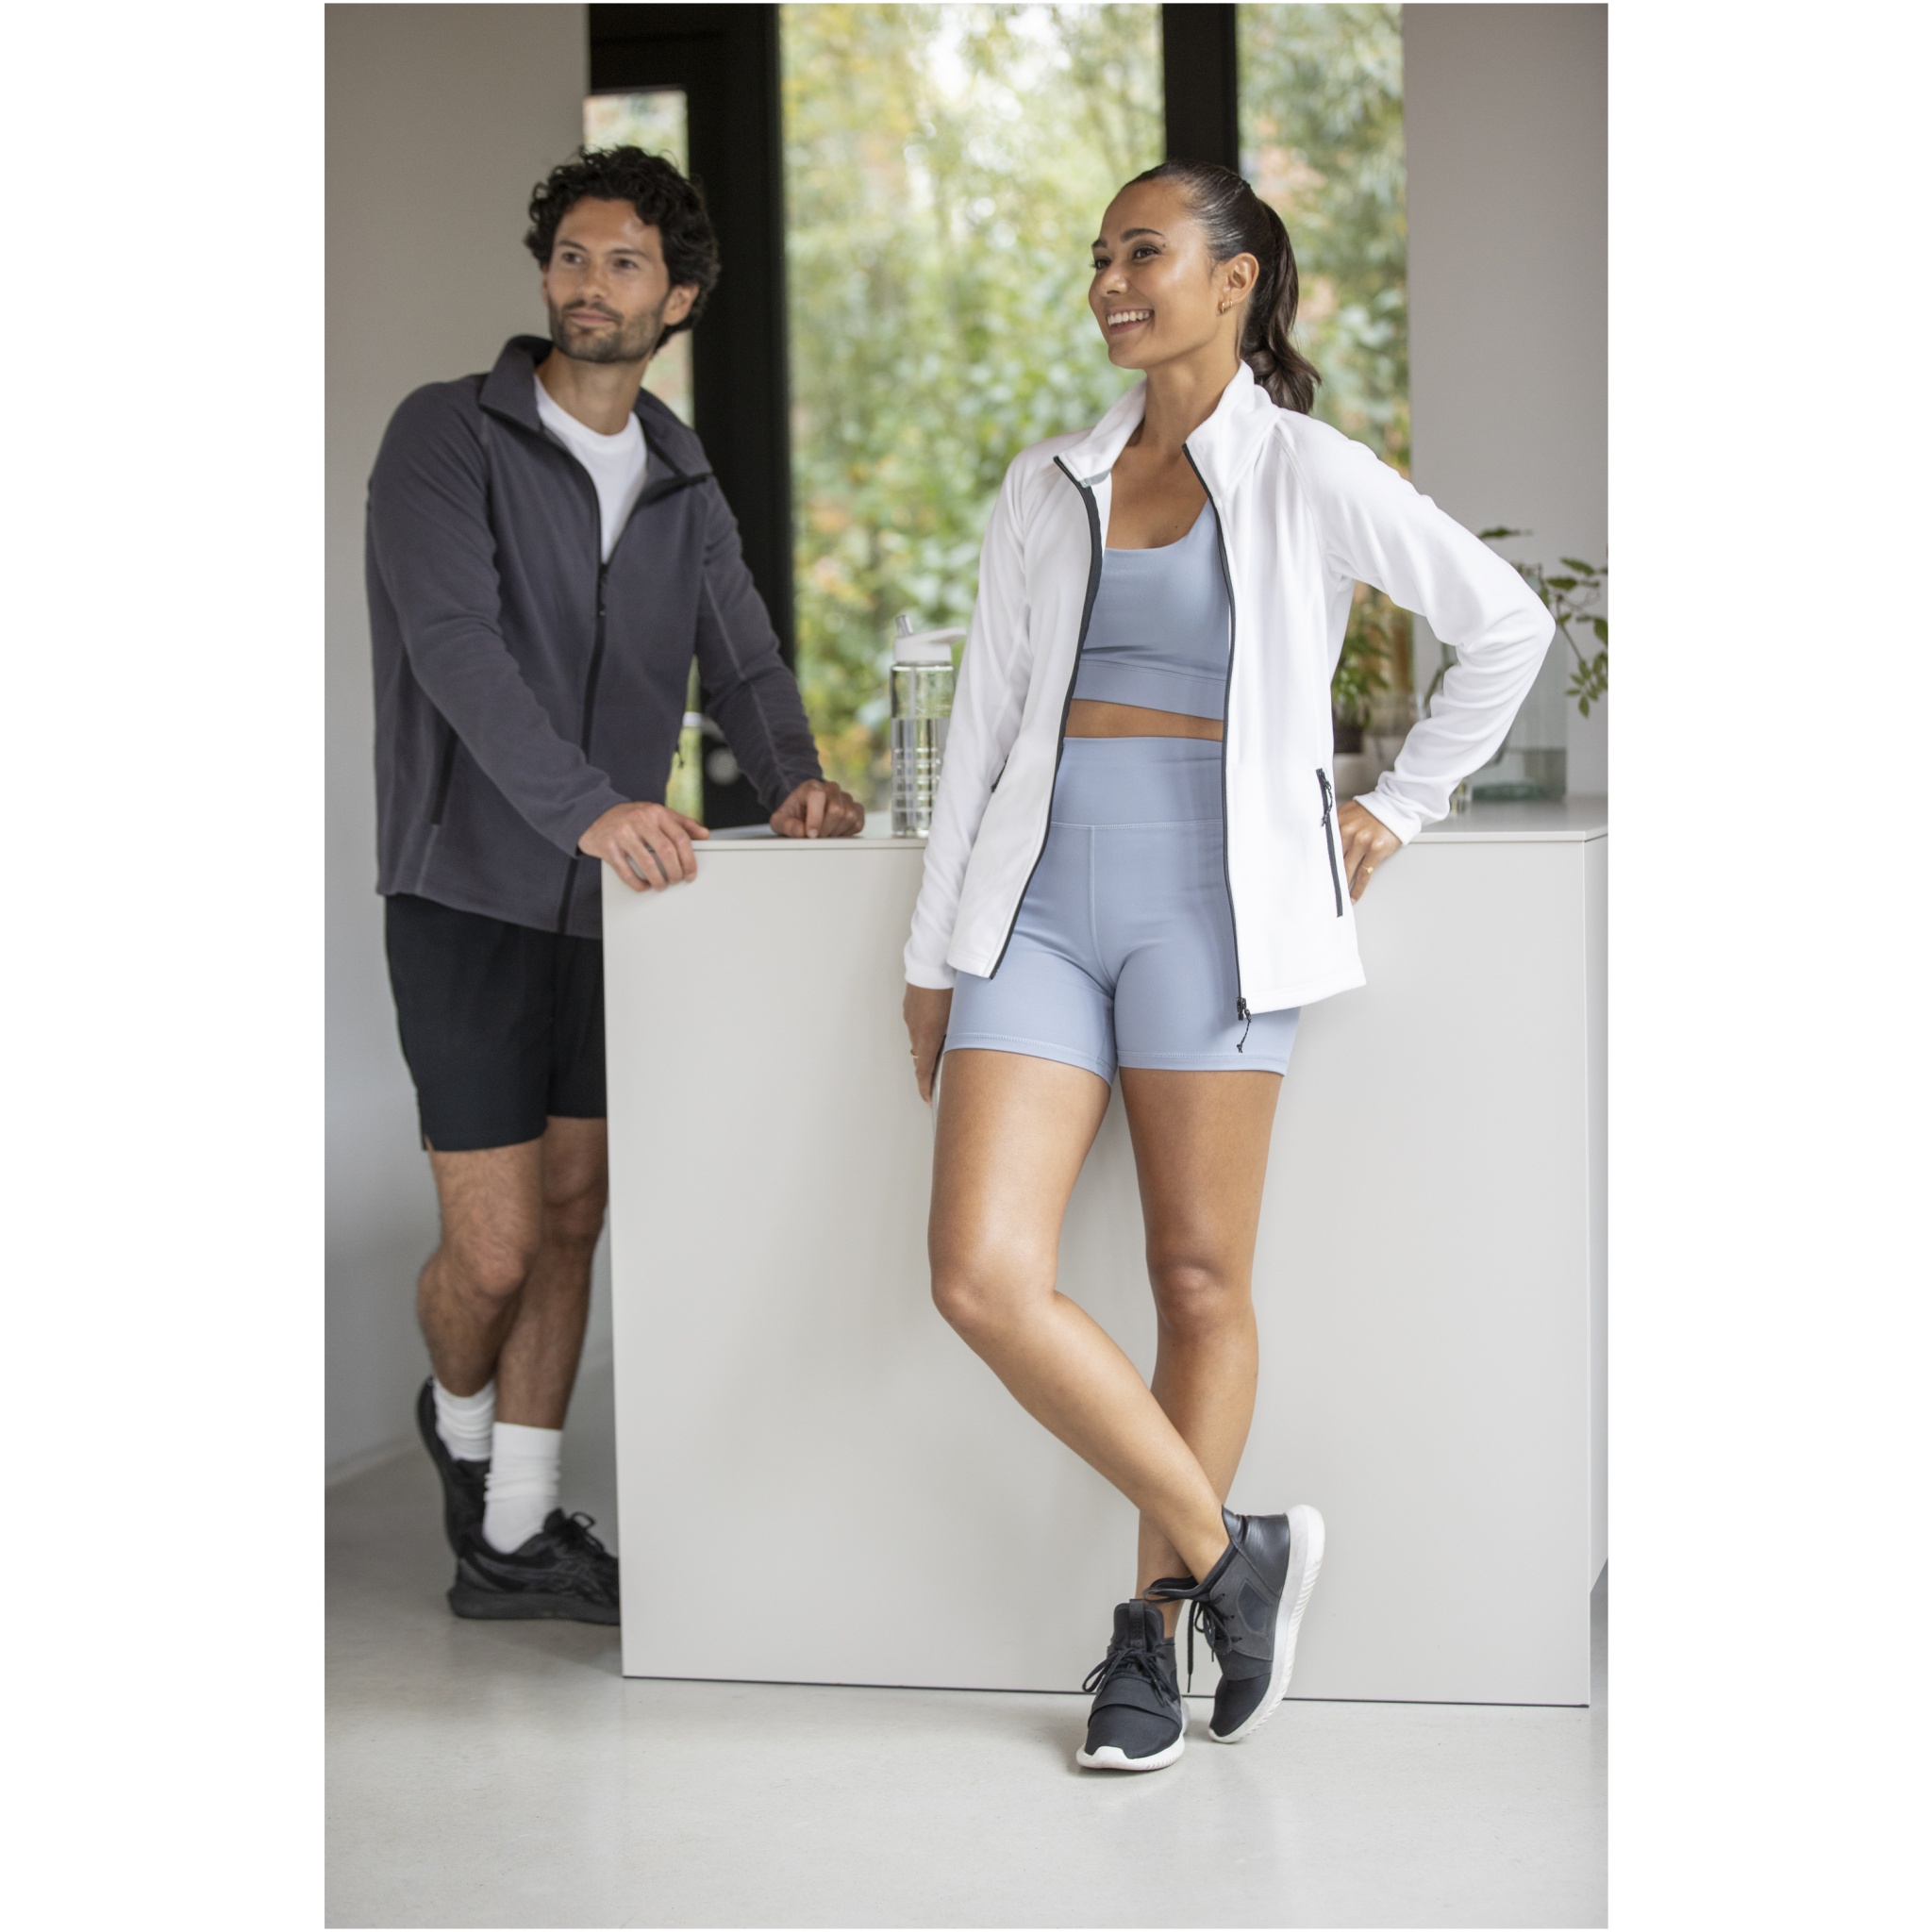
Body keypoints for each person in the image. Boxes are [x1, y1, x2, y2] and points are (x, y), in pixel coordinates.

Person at [902, 159, 1553, 1771]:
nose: (1112, 282)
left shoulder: (1305, 468)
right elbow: (985, 725)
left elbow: (1507, 626)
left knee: (1197, 1281)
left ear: (1235, 276)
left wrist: (1401, 807)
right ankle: (1229, 1548)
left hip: (1218, 908)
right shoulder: (1048, 479)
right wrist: (932, 952)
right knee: (980, 1274)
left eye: (1146, 252)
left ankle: (1152, 1639)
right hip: (1037, 906)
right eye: (1100, 257)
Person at [367, 147, 863, 1625]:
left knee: (577, 1210)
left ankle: (517, 1532)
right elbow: (455, 650)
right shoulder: (446, 435)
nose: (590, 285)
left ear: (679, 299)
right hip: (465, 888)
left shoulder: (680, 475)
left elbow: (743, 658)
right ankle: (458, 1424)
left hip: (611, 910)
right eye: (572, 256)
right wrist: (585, 807)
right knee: (496, 1246)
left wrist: (794, 778)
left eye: (625, 263)